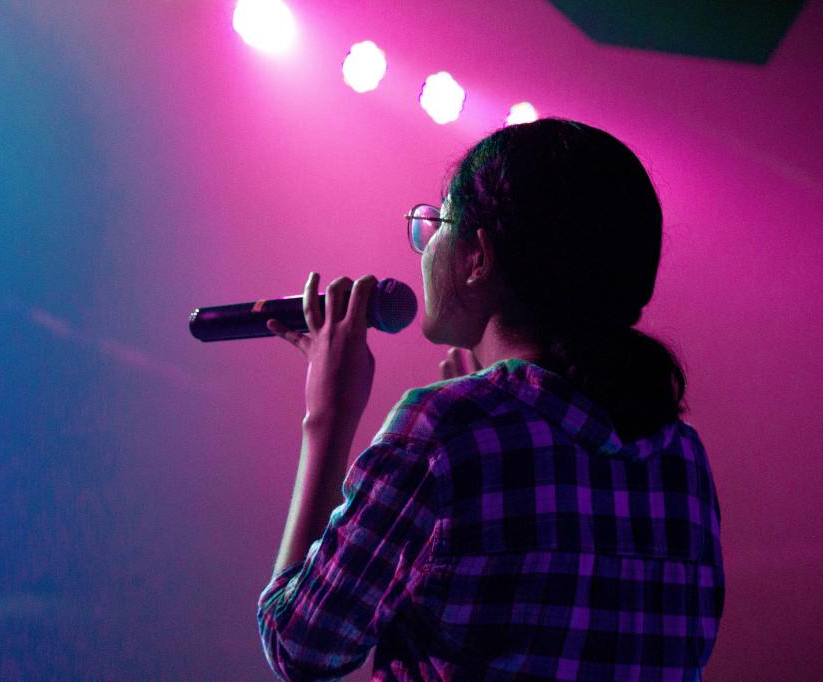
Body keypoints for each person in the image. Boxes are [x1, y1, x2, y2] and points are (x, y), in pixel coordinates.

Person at [257, 118, 724, 680]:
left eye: (434, 226)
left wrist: (328, 416)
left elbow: (301, 645)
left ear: (478, 257)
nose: (423, 247)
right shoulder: (681, 456)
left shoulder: (440, 431)